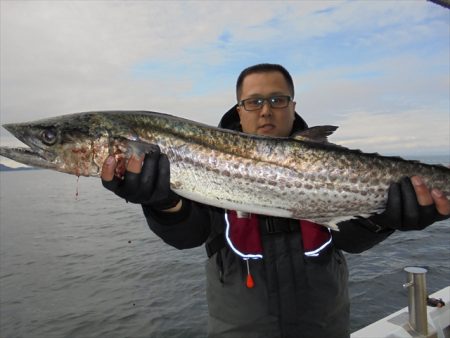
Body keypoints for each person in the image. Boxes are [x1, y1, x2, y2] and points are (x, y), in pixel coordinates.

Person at [101, 64, 450, 338]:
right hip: (239, 331)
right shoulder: (202, 159)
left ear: (292, 105)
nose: (265, 110)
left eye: (277, 100)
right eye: (254, 102)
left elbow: (350, 240)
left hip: (326, 328)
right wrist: (164, 204)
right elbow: (189, 234)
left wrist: (385, 219)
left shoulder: (322, 160)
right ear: (239, 110)